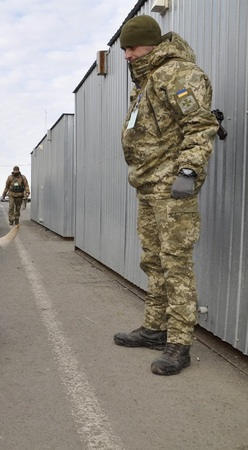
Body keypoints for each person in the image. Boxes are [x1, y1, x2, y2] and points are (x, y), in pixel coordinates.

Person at [114, 15, 219, 375]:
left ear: (152, 45)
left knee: (176, 265)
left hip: (172, 187)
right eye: (124, 49)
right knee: (154, 260)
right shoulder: (147, 79)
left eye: (132, 48)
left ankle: (178, 343)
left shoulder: (178, 74)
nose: (127, 55)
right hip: (148, 184)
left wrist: (188, 170)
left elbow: (200, 125)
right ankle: (155, 328)